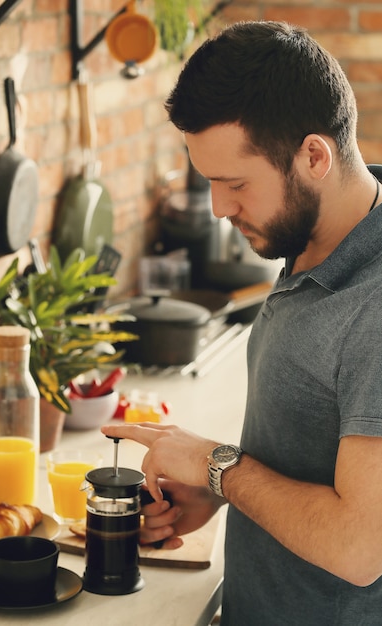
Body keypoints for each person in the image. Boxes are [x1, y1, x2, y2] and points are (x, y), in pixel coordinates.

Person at [102, 21, 382, 625]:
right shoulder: (317, 234)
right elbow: (310, 443)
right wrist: (220, 494)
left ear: (314, 155)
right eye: (209, 182)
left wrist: (216, 464)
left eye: (234, 184)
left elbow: (359, 548)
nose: (219, 208)